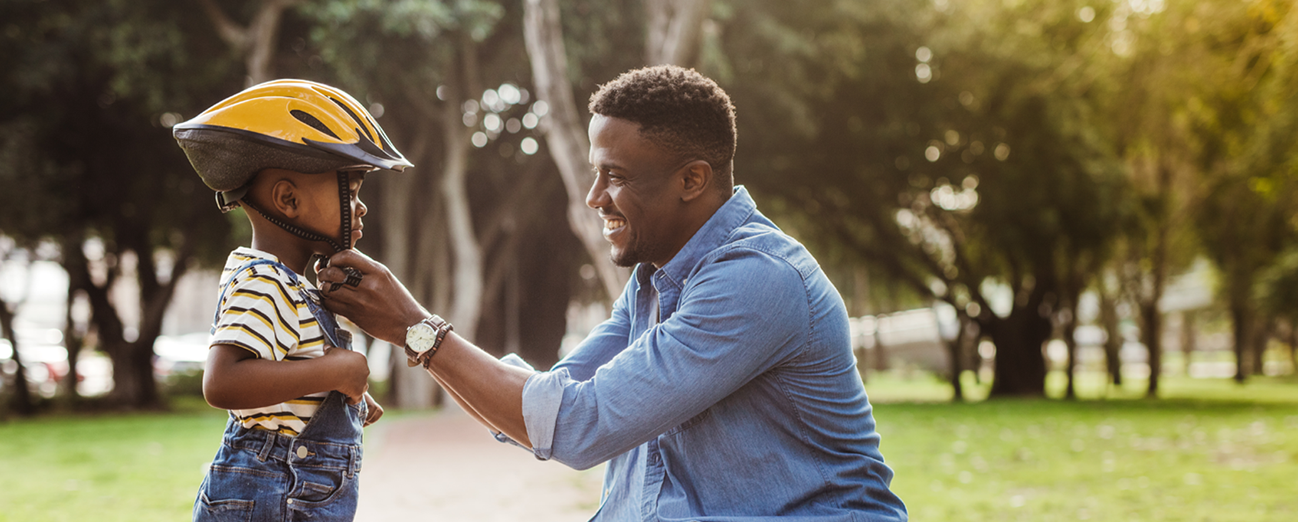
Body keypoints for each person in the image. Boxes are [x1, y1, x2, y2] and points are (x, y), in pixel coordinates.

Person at [320, 65, 908, 521]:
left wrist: (414, 329)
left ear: (692, 179)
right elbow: (552, 404)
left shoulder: (757, 279)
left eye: (617, 177)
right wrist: (417, 337)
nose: (594, 197)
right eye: (597, 173)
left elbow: (578, 426)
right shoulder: (656, 278)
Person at [173, 79, 411, 522]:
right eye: (353, 191)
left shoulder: (292, 284)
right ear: (288, 199)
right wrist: (340, 368)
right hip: (271, 497)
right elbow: (223, 381)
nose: (361, 209)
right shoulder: (263, 279)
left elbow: (284, 383)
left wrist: (338, 394)